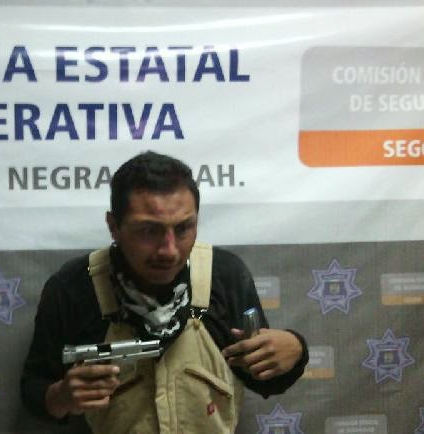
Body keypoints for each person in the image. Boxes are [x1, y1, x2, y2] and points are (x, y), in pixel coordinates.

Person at [20, 151, 308, 433]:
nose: (169, 250)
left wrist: (296, 351)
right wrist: (61, 397)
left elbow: (265, 381)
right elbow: (34, 390)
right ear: (113, 226)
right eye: (149, 231)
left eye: (183, 228)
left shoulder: (224, 276)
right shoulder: (74, 287)